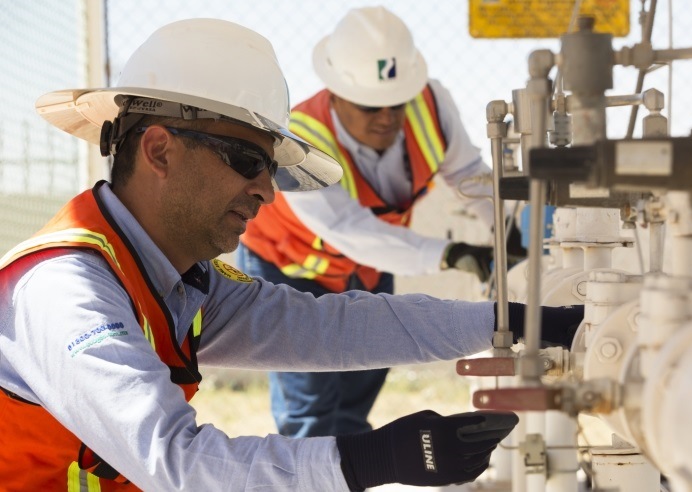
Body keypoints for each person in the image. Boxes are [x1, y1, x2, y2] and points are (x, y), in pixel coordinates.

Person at [0, 18, 584, 491]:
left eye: (271, 168)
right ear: (159, 150)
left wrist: (526, 321)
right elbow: (176, 462)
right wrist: (371, 459)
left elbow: (331, 326)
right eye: (250, 162)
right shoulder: (68, 290)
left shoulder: (181, 282)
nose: (268, 191)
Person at [239, 5, 505, 439]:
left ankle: (346, 473)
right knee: (311, 402)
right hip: (289, 266)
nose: (387, 118)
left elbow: (468, 176)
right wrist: (449, 253)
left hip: (368, 265)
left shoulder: (432, 105)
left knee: (362, 381)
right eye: (370, 106)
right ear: (336, 93)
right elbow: (350, 230)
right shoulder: (300, 139)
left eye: (396, 103)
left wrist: (508, 226)